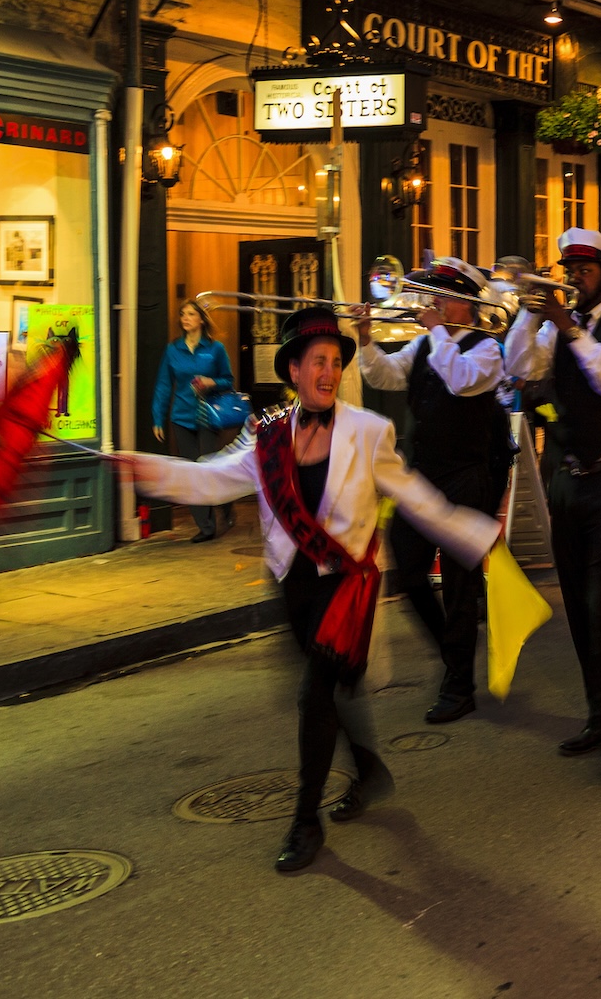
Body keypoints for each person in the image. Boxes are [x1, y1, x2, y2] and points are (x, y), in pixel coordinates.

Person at [129, 307, 501, 871]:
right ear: (294, 371)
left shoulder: (369, 431)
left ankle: (306, 820)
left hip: (346, 587)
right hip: (293, 583)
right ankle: (369, 769)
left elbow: (417, 497)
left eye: (335, 362)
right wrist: (136, 467)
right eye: (317, 362)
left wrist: (476, 534)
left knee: (313, 695)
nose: (329, 372)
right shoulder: (268, 436)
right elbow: (211, 479)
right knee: (327, 692)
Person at [505, 228, 601, 772]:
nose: (574, 279)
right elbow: (520, 368)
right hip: (570, 478)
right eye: (569, 270)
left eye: (584, 271)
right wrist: (530, 317)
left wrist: (569, 328)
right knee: (577, 606)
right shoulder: (558, 325)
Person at [355, 258, 510, 724]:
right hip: (422, 477)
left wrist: (437, 331)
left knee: (460, 588)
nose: (434, 302)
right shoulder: (425, 343)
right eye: (434, 294)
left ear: (468, 304)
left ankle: (459, 686)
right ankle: (452, 654)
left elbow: (460, 381)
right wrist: (364, 339)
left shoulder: (488, 349)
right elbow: (384, 376)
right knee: (408, 570)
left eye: (444, 295)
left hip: (466, 477)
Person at [151, 298, 236, 543]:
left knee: (209, 468)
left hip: (208, 416)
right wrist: (158, 418)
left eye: (190, 314)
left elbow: (228, 380)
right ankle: (206, 526)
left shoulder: (215, 349)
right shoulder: (173, 349)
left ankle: (225, 503)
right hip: (182, 417)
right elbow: (163, 385)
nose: (185, 318)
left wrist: (212, 382)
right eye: (182, 314)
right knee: (191, 472)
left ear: (201, 319)